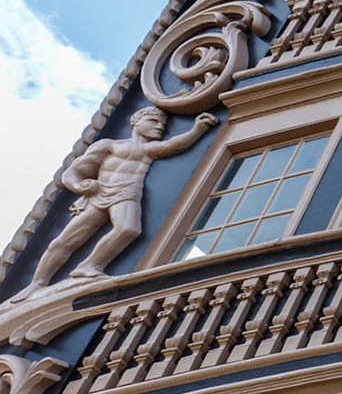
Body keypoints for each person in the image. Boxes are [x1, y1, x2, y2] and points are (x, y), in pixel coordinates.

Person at [18, 107, 217, 297]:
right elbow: (73, 172)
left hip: (127, 193)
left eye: (162, 124)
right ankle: (37, 285)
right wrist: (80, 186)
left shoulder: (149, 149)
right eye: (153, 121)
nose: (160, 127)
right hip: (99, 193)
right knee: (66, 240)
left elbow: (173, 145)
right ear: (136, 122)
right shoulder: (109, 145)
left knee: (128, 229)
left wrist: (197, 129)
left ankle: (89, 266)